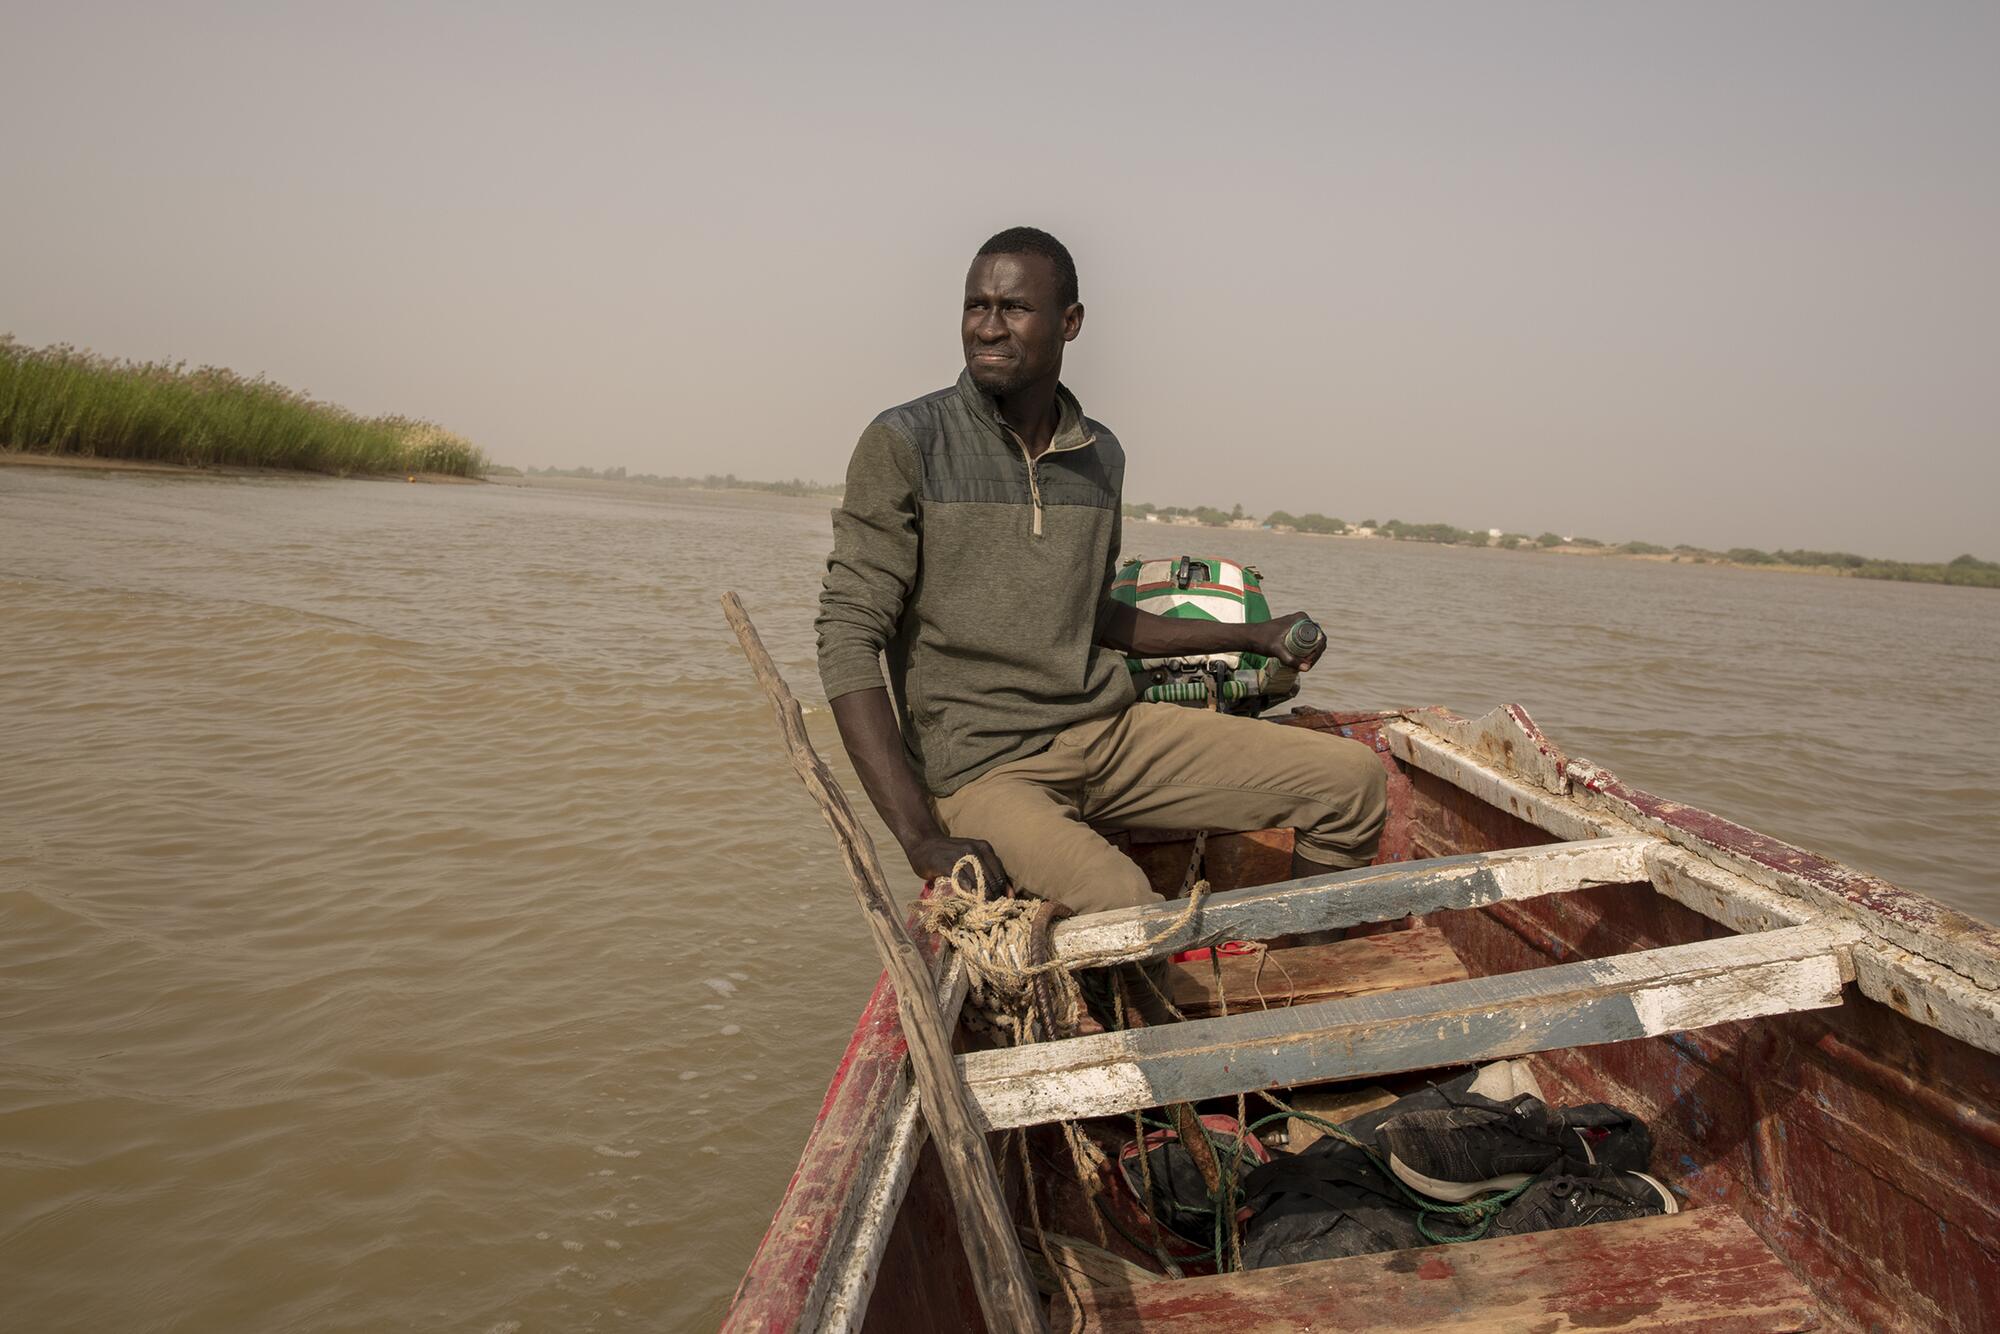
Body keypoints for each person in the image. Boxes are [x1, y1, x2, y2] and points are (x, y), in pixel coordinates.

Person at [814, 226, 1387, 916]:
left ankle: (1304, 971)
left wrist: (1251, 637)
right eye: (976, 306)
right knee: (1121, 901)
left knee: (1352, 782)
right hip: (985, 768)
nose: (987, 329)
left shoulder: (1098, 455)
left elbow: (1094, 616)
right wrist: (916, 837)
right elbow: (847, 638)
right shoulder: (907, 442)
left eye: (1014, 309)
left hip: (1109, 731)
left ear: (1070, 323)